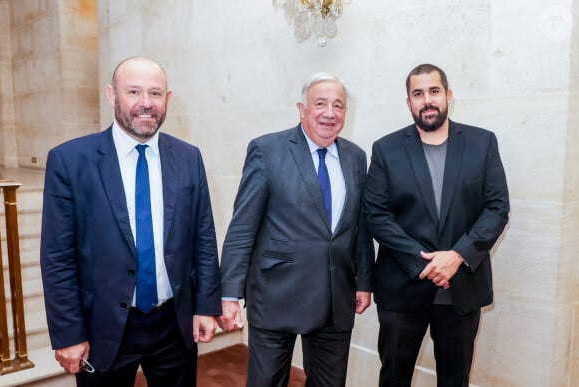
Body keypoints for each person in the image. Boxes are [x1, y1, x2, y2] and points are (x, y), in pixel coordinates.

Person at [40, 56, 222, 387]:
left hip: (173, 325)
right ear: (112, 96)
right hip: (104, 328)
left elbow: (203, 237)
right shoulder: (69, 161)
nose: (145, 104)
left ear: (167, 99)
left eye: (155, 94)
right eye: (133, 92)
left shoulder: (188, 157)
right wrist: (68, 333)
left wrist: (206, 306)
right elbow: (58, 259)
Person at [218, 73, 374, 387]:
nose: (330, 112)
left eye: (338, 105)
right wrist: (228, 294)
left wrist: (363, 281)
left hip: (335, 298)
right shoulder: (267, 150)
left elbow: (359, 225)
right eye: (320, 103)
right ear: (301, 109)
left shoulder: (356, 157)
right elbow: (242, 227)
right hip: (276, 294)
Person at [363, 63, 510, 387]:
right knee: (393, 379)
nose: (426, 100)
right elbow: (376, 215)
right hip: (402, 288)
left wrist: (456, 256)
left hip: (461, 290)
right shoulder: (386, 149)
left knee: (455, 381)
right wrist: (423, 263)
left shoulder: (481, 143)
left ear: (448, 95)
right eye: (418, 93)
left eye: (433, 91)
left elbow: (497, 209)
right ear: (408, 102)